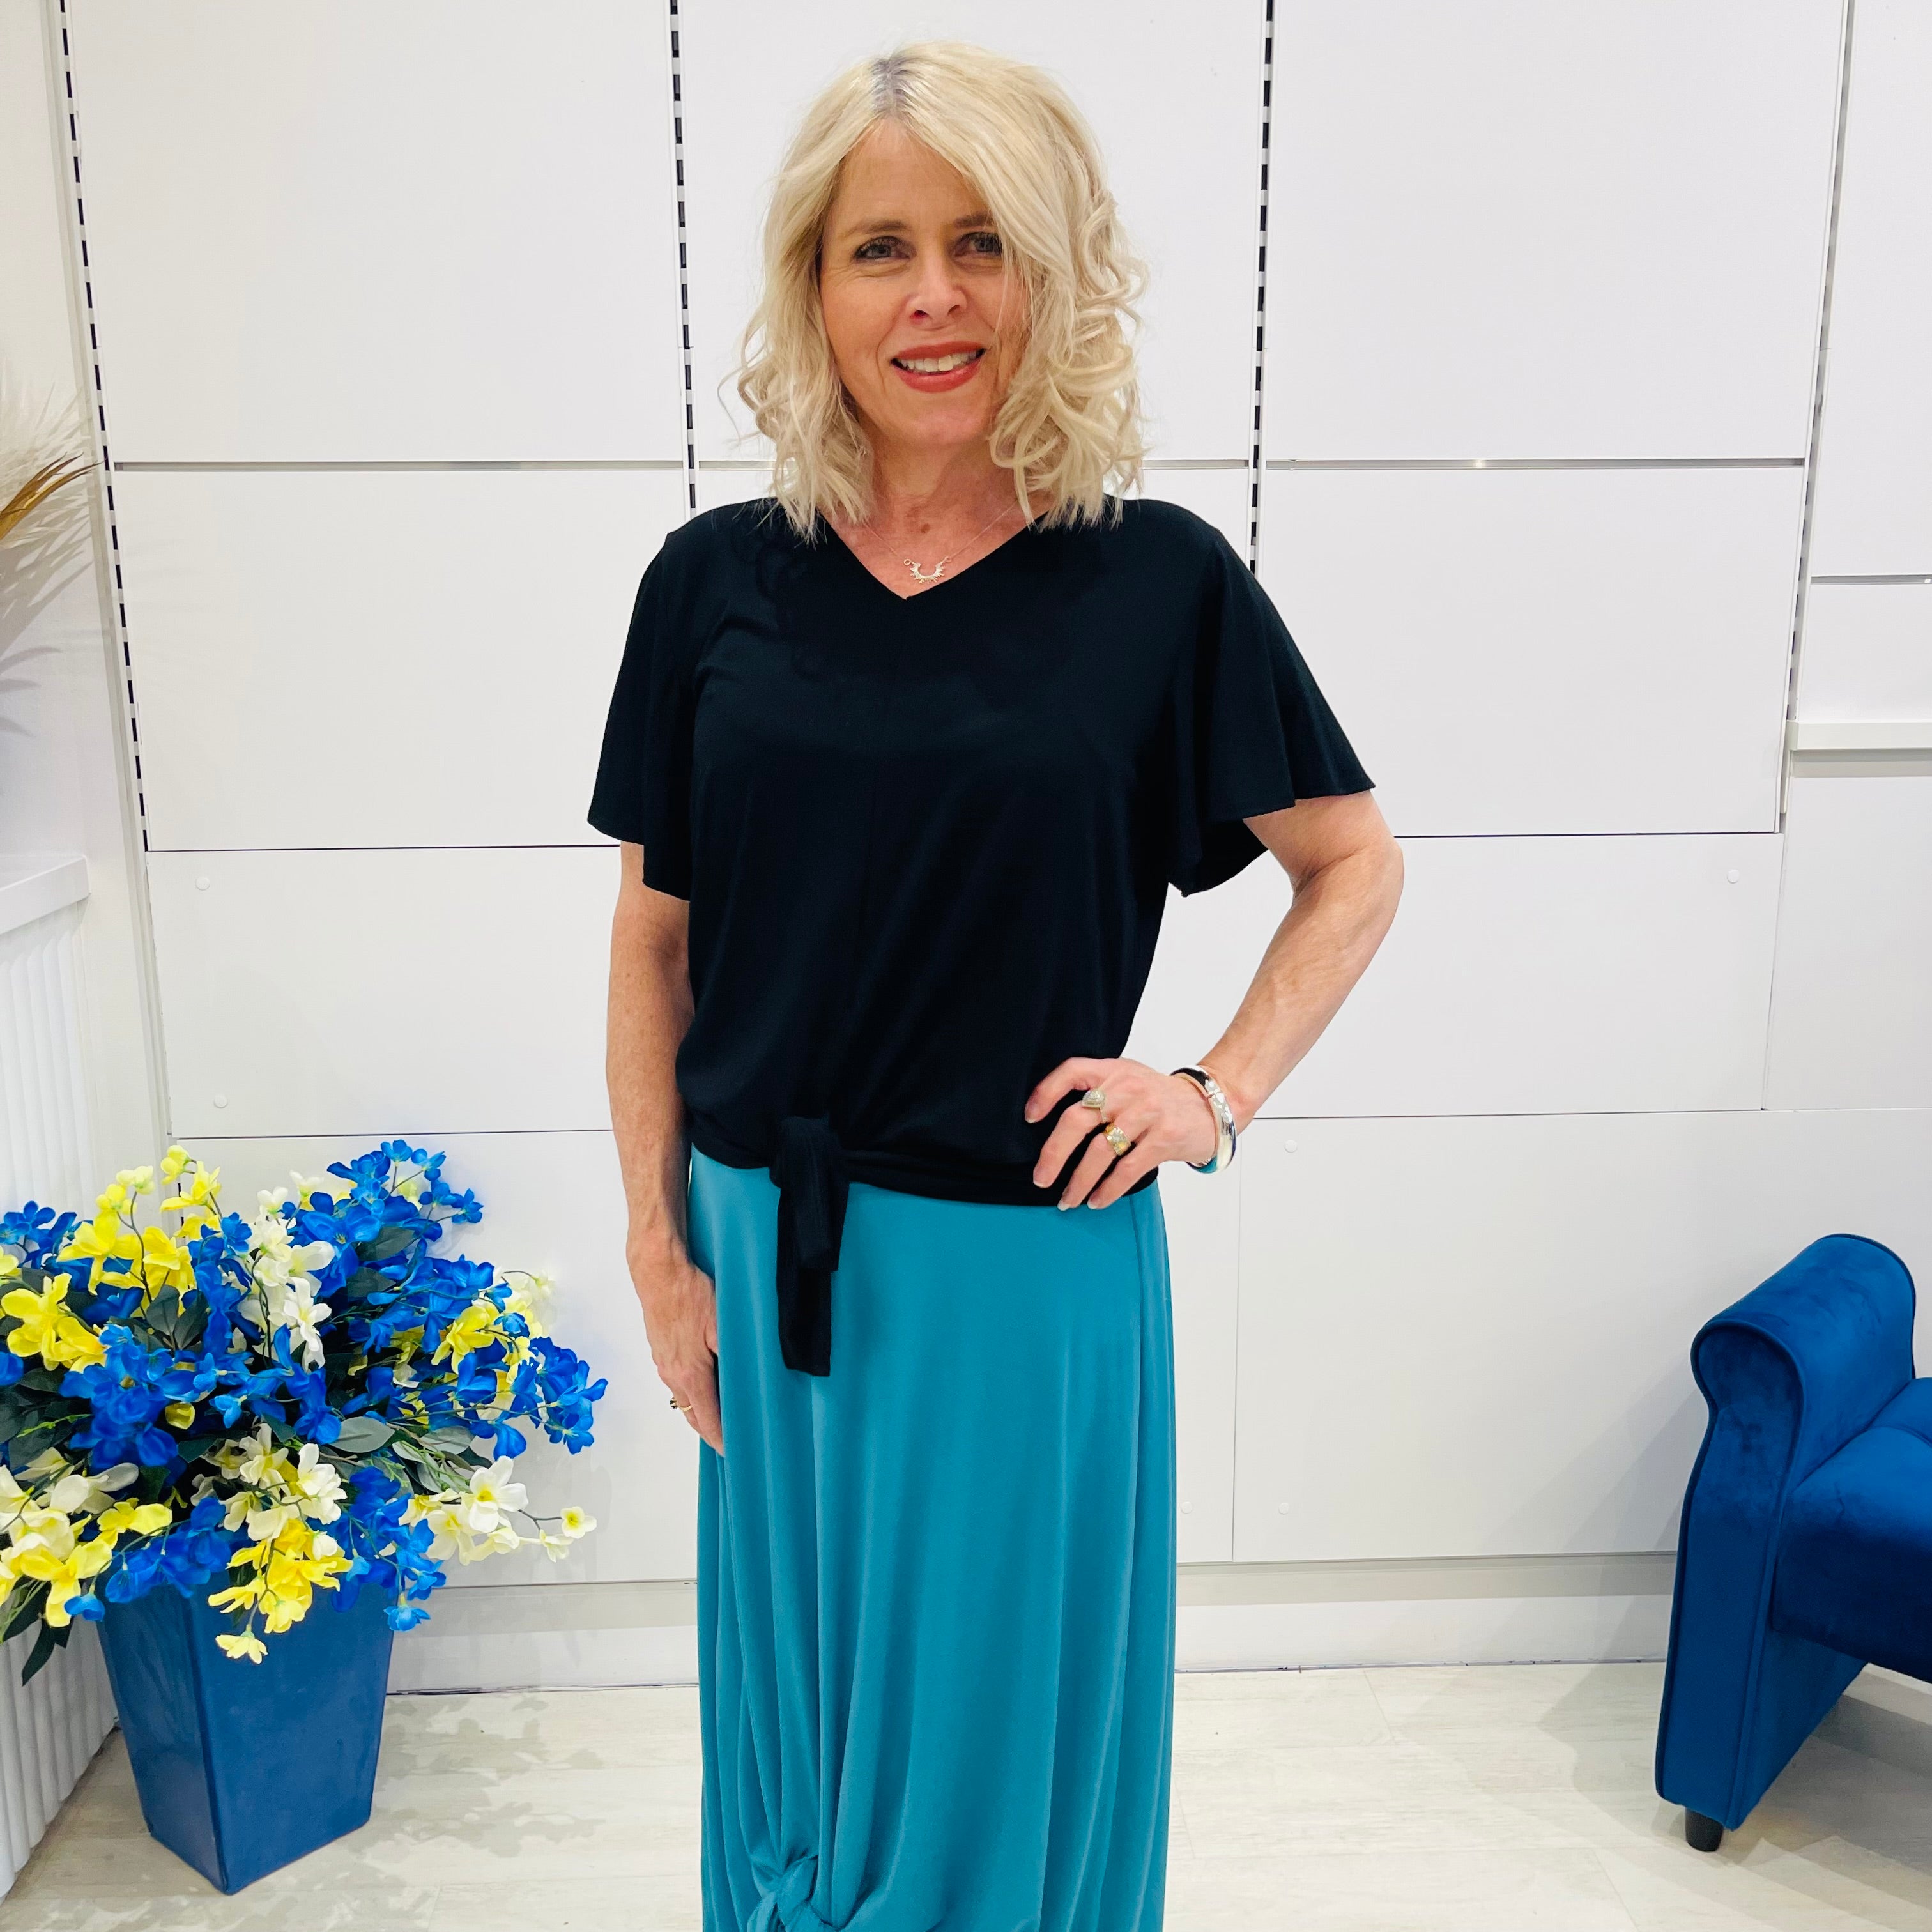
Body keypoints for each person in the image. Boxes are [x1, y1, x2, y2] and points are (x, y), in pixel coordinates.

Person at [591, 38, 1403, 1932]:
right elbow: (653, 940)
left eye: (982, 244)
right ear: (814, 286)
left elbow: (1354, 865)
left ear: (1054, 275)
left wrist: (1210, 1092)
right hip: (764, 1253)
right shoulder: (712, 584)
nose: (933, 298)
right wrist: (657, 1250)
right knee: (797, 1766)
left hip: (1023, 1277)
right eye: (880, 248)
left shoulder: (1158, 586)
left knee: (986, 1770)